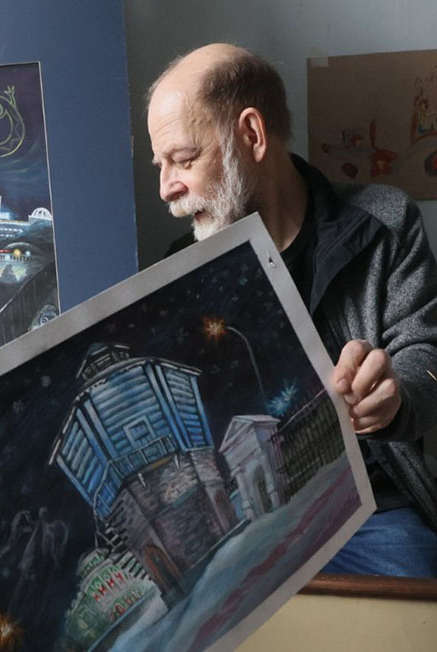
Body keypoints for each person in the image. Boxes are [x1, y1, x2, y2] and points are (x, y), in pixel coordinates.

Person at [147, 43, 437, 576]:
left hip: (375, 512)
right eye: (160, 164)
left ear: (252, 135)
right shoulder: (179, 270)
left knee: (416, 589)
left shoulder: (385, 222)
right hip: (255, 526)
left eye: (184, 160)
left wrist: (395, 394)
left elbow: (427, 352)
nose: (167, 189)